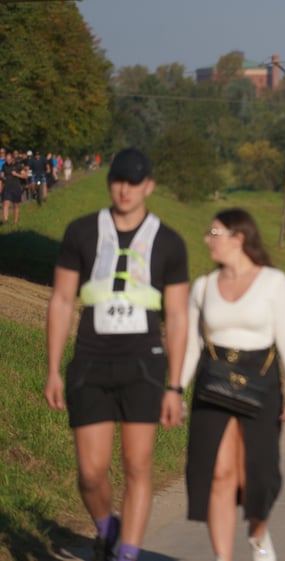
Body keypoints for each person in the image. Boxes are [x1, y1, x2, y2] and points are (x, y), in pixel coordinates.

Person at [43, 148, 190, 561]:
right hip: (90, 361)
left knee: (137, 465)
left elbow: (178, 318)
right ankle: (108, 527)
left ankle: (126, 555)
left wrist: (175, 386)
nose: (125, 189)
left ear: (149, 186)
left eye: (134, 182)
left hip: (145, 364)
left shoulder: (170, 242)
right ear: (110, 184)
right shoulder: (81, 232)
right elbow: (61, 300)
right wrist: (53, 368)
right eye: (118, 180)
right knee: (90, 474)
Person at [181, 208, 285, 561]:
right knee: (218, 473)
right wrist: (174, 389)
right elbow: (192, 345)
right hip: (213, 380)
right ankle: (223, 557)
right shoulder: (203, 286)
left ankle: (258, 533)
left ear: (239, 238)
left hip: (261, 380)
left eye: (214, 232)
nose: (207, 239)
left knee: (260, 474)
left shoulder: (273, 282)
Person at [1, 151, 26, 226]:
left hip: (16, 187)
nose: (7, 161)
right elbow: (2, 174)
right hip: (7, 187)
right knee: (6, 203)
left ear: (12, 159)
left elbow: (25, 176)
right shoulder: (4, 166)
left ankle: (15, 222)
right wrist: (2, 177)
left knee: (16, 205)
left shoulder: (18, 166)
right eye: (6, 160)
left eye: (9, 160)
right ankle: (5, 220)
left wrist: (16, 174)